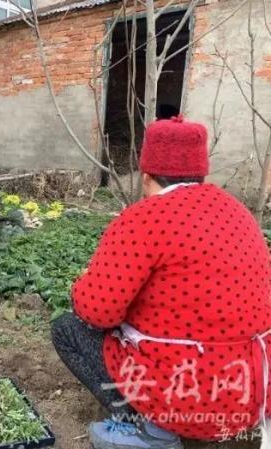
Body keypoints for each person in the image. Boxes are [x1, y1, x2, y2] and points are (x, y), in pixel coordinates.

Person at [52, 116, 271, 448]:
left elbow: (98, 311)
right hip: (252, 390)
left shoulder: (145, 218)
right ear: (201, 171)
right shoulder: (238, 212)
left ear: (145, 176)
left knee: (68, 329)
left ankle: (150, 431)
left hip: (186, 396)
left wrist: (79, 287)